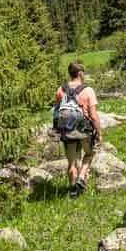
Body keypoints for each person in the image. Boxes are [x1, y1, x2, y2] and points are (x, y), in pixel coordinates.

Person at [52, 61, 103, 198]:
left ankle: (73, 191)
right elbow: (93, 115)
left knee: (71, 162)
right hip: (84, 130)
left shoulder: (61, 90)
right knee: (89, 153)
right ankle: (81, 177)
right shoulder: (88, 90)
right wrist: (99, 132)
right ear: (80, 73)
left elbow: (56, 111)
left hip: (67, 131)